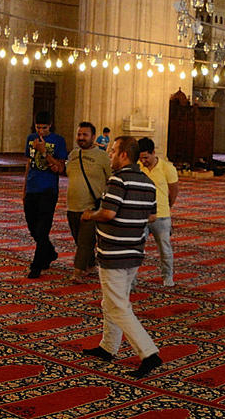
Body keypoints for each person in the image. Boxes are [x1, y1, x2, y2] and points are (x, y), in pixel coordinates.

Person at [78, 134, 161, 377]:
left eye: (113, 151)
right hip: (133, 251)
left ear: (124, 154)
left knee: (117, 307)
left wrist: (89, 215)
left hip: (114, 253)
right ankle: (108, 347)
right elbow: (152, 217)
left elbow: (108, 214)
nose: (110, 155)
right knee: (112, 302)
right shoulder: (147, 181)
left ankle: (149, 353)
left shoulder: (118, 179)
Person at [65, 121, 111, 283]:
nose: (81, 138)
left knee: (84, 242)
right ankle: (91, 265)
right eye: (79, 134)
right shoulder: (73, 155)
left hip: (91, 207)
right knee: (79, 239)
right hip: (72, 206)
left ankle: (77, 272)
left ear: (93, 137)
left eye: (85, 135)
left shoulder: (102, 156)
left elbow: (111, 180)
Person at [23, 116, 67, 278]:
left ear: (50, 126)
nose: (41, 131)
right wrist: (24, 188)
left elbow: (59, 168)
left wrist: (44, 151)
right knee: (32, 227)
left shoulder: (58, 141)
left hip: (48, 190)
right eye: (38, 127)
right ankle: (49, 252)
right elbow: (29, 163)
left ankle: (37, 265)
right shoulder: (30, 139)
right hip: (32, 188)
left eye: (44, 128)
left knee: (42, 229)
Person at [136, 138, 180, 286]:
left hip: (161, 216)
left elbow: (173, 191)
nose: (143, 161)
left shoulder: (167, 168)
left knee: (165, 249)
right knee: (136, 249)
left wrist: (167, 207)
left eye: (146, 157)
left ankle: (168, 277)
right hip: (141, 216)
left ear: (153, 153)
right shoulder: (137, 167)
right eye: (141, 158)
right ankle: (132, 279)